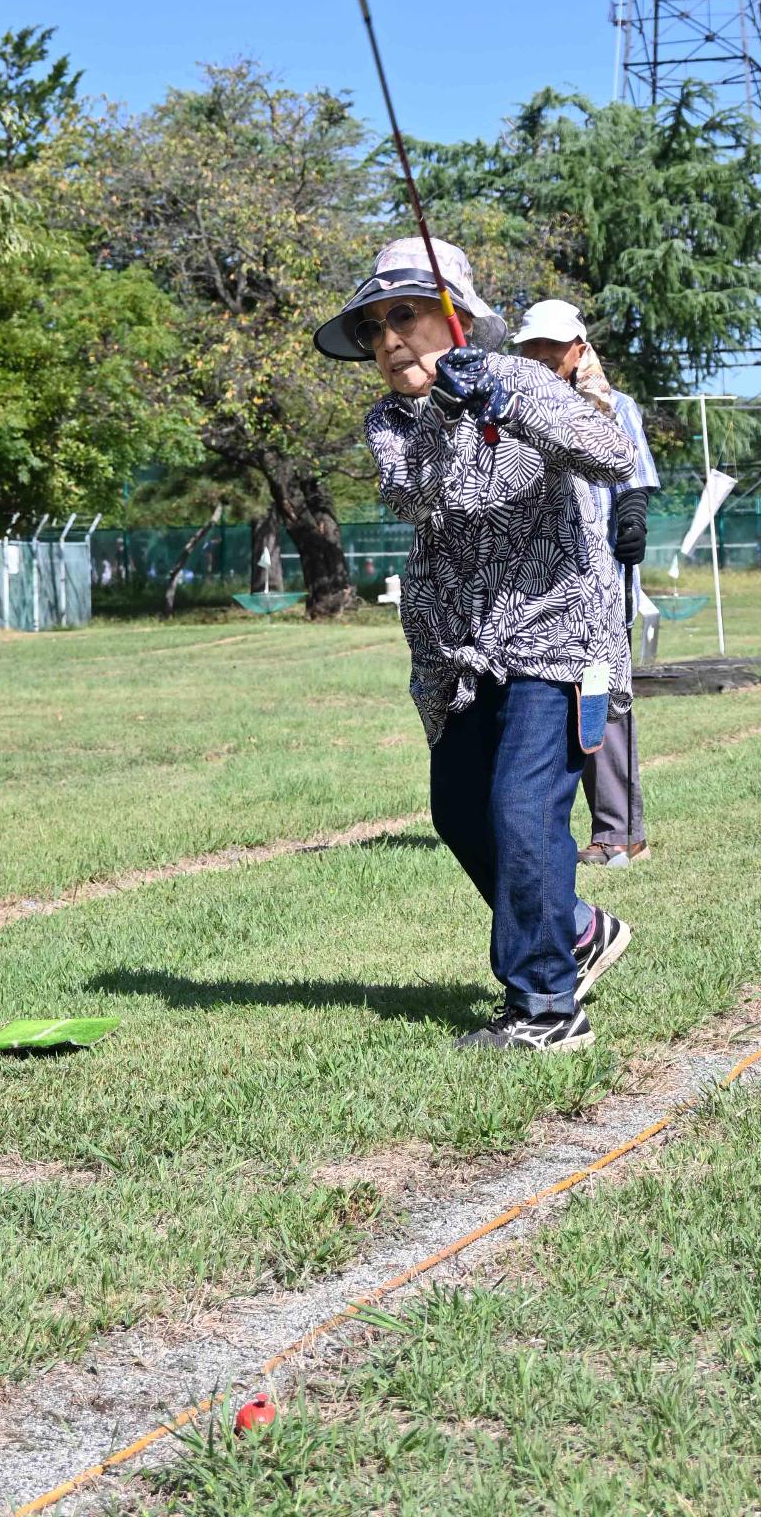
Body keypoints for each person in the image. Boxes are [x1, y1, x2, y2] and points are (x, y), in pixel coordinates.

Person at [314, 238, 638, 1054]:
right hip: (455, 656)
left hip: (557, 638)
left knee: (522, 811)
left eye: (405, 316)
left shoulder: (526, 377)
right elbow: (411, 495)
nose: (388, 340)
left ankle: (545, 1010)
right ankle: (574, 929)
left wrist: (500, 395)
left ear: (456, 318)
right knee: (460, 811)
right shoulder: (388, 422)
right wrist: (450, 418)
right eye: (373, 328)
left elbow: (608, 453)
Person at [513, 301, 660, 868]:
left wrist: (632, 520)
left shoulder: (614, 406)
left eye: (553, 344)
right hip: (536, 583)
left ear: (579, 346)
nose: (543, 355)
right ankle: (545, 829)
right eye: (532, 345)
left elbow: (634, 477)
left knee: (604, 700)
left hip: (599, 576)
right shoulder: (511, 409)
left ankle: (620, 834)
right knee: (547, 705)